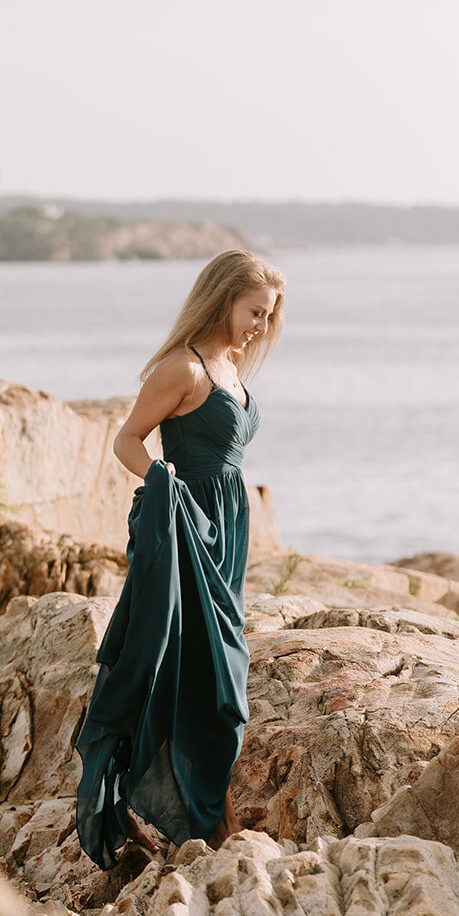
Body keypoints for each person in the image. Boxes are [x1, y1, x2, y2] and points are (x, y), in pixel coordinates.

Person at [75, 249, 284, 869]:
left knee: (219, 669)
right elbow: (127, 440)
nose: (260, 327)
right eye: (254, 312)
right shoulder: (182, 369)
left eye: (268, 317)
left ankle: (202, 819)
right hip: (183, 531)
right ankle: (181, 820)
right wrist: (161, 481)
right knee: (194, 676)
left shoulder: (233, 364)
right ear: (223, 299)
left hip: (227, 536)